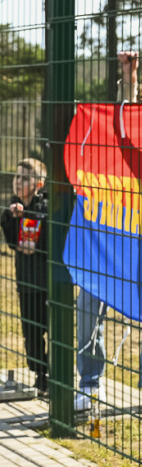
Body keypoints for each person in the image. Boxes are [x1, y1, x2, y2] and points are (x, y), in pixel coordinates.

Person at [75, 50, 142, 415]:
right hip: (110, 242)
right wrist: (128, 81)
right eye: (131, 114)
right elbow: (119, 121)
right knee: (87, 306)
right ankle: (88, 384)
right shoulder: (113, 146)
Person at [1, 159, 49, 395]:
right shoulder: (12, 208)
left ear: (38, 184)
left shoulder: (45, 207)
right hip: (26, 282)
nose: (19, 182)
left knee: (53, 328)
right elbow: (13, 242)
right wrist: (13, 217)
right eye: (17, 176)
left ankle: (56, 373)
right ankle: (41, 374)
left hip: (48, 283)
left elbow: (43, 240)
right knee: (31, 333)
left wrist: (28, 217)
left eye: (25, 178)